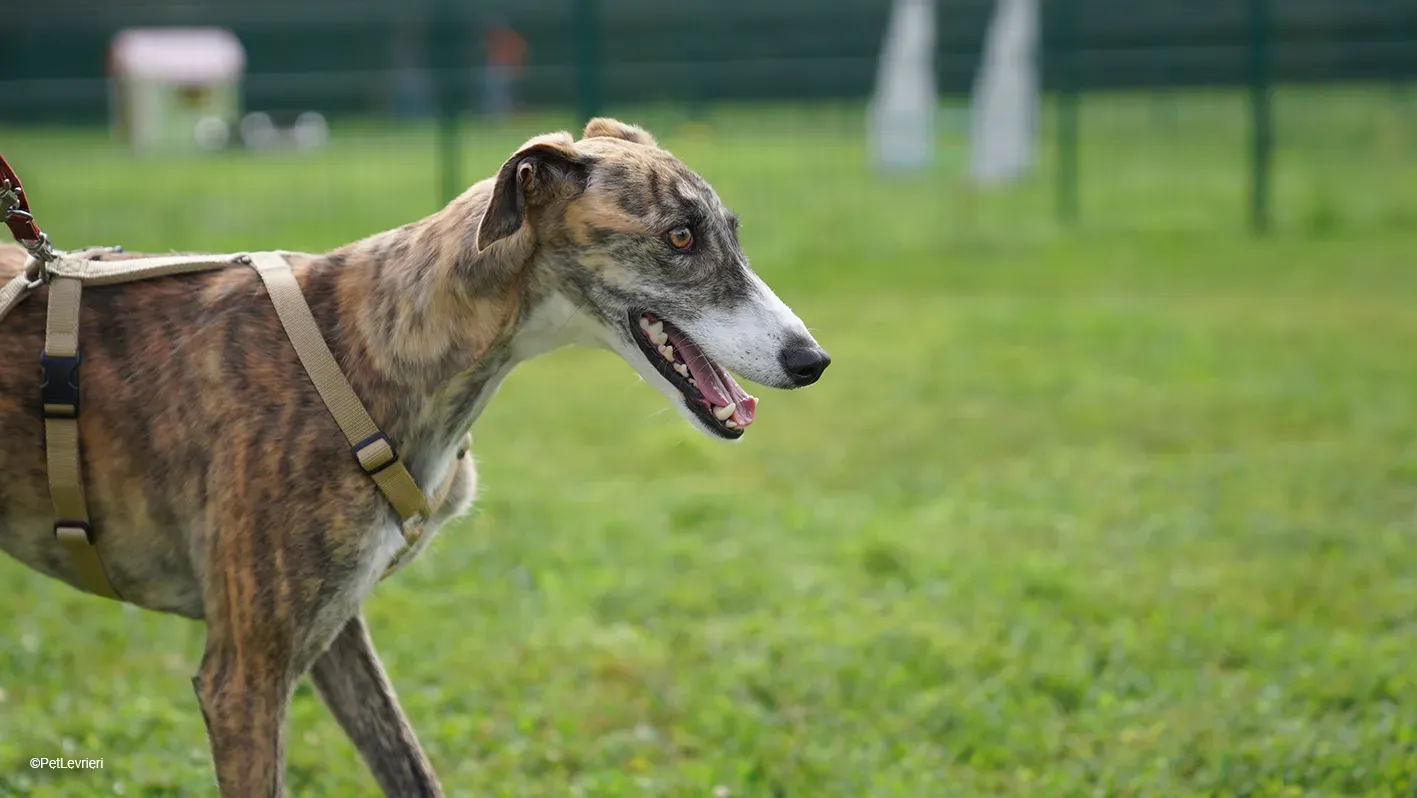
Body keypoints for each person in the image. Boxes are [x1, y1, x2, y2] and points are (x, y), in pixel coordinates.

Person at [481, 18, 527, 120]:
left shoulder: (511, 38)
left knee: (503, 94)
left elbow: (521, 52)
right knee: (496, 93)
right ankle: (494, 113)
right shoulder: (494, 38)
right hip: (496, 70)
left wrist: (516, 68)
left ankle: (501, 114)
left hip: (505, 71)